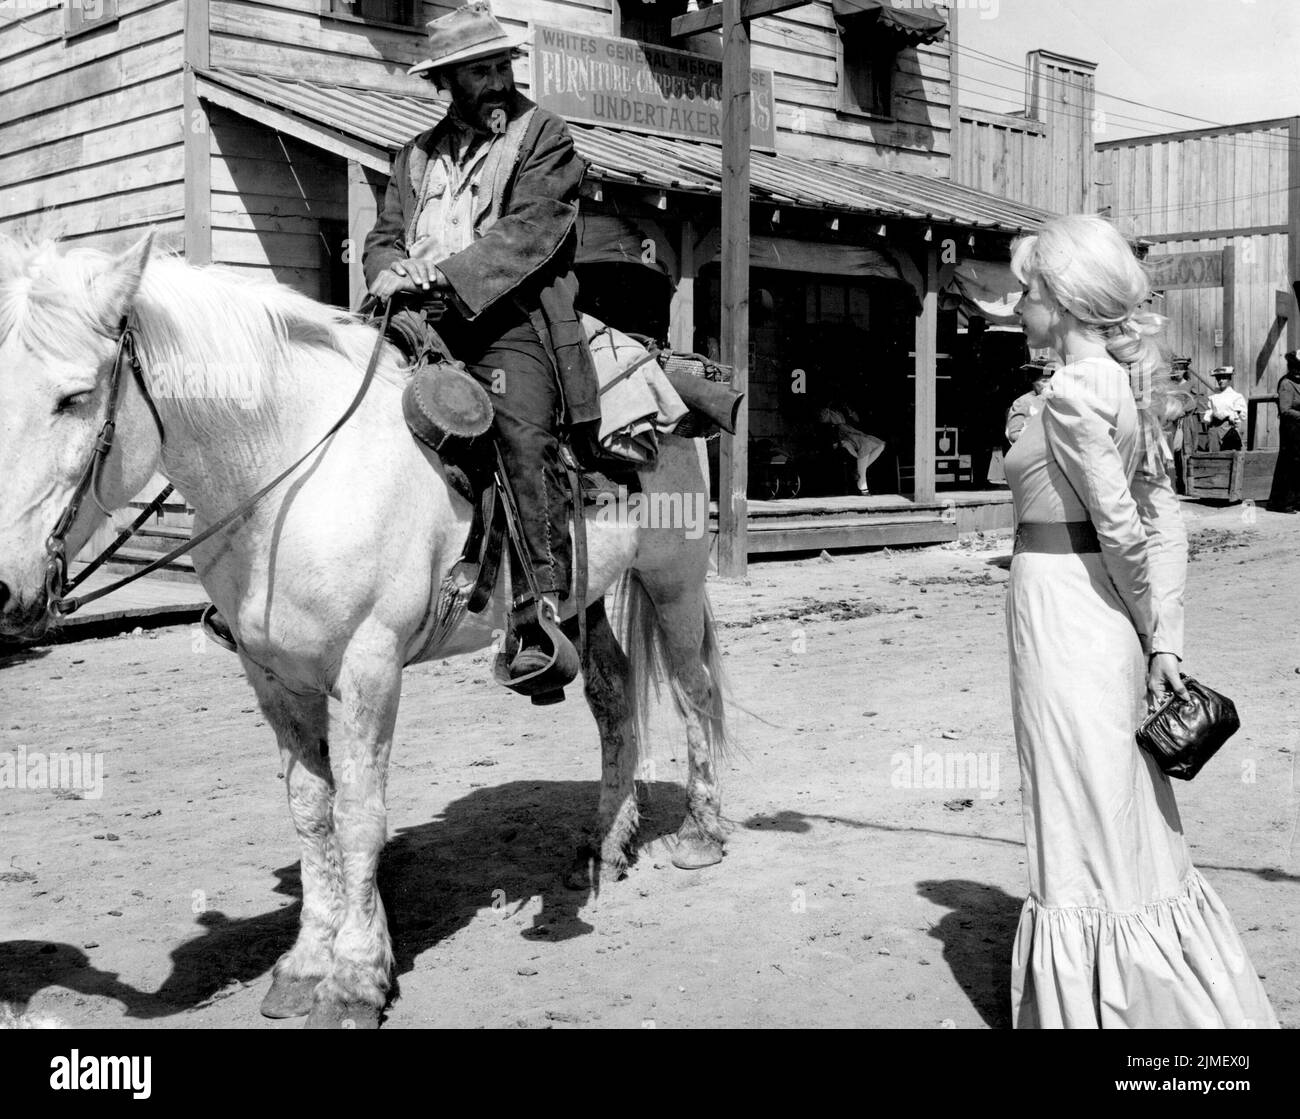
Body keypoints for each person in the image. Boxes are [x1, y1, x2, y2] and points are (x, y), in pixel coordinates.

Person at [1004, 213, 1277, 1029]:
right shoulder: (1118, 386)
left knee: (1077, 805)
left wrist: (1145, 618)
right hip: (1095, 619)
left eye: (1029, 290)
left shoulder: (1074, 392)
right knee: (1114, 807)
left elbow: (1125, 526)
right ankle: (1147, 992)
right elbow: (1162, 525)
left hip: (1069, 615)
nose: (1018, 304)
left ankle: (1110, 1013)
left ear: (1064, 299)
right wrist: (1161, 640)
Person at [364, 2, 601, 686]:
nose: (498, 81)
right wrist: (389, 270)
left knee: (521, 433)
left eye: (501, 66)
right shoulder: (411, 157)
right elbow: (383, 236)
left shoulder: (544, 138)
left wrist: (442, 273)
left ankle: (537, 613)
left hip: (508, 318)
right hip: (415, 316)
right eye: (480, 71)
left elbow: (532, 231)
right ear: (448, 82)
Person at [817, 397, 885, 494]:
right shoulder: (827, 412)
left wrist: (849, 412)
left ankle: (858, 470)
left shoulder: (843, 411)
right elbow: (823, 421)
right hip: (842, 435)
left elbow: (857, 420)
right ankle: (862, 484)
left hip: (852, 431)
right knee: (864, 444)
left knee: (880, 445)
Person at [1265, 350, 1300, 513]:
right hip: (1290, 430)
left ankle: (1296, 500)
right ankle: (1281, 502)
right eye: (1296, 368)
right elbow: (1285, 410)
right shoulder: (1286, 383)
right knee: (1288, 465)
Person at [1004, 359, 1055, 445]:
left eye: (1051, 380)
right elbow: (1013, 434)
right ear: (1033, 383)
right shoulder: (1023, 402)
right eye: (1044, 381)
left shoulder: (1056, 400)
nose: (1048, 385)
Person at [1202, 365, 1246, 451]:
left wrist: (1231, 417)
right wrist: (1210, 418)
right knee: (1213, 455)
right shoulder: (1213, 397)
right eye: (1218, 378)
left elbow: (1242, 416)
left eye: (1223, 378)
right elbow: (1208, 415)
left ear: (1229, 379)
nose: (1220, 381)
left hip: (1228, 429)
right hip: (1214, 429)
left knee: (1229, 455)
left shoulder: (1236, 396)